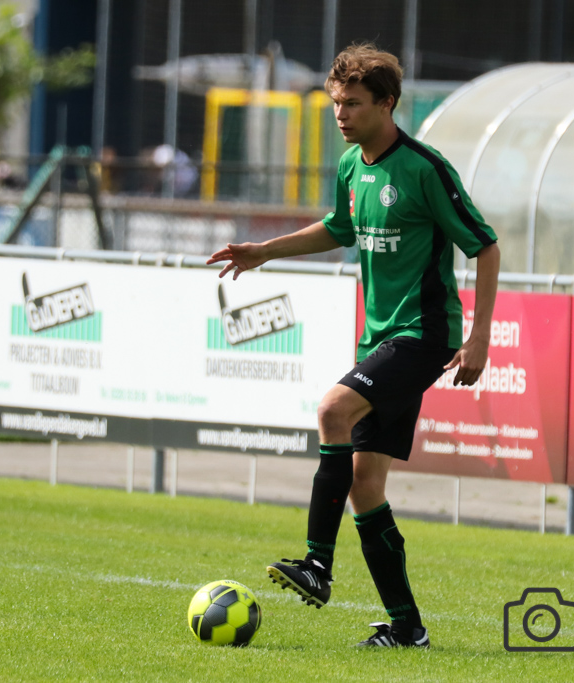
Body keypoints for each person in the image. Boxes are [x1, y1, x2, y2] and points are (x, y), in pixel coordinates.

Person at [207, 43, 500, 649]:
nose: (340, 114)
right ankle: (407, 627)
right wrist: (265, 252)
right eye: (336, 103)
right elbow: (340, 228)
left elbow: (485, 245)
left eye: (353, 104)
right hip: (380, 337)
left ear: (387, 103)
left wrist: (479, 338)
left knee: (332, 410)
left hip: (423, 334)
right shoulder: (349, 165)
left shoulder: (424, 169)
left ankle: (317, 563)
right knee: (365, 485)